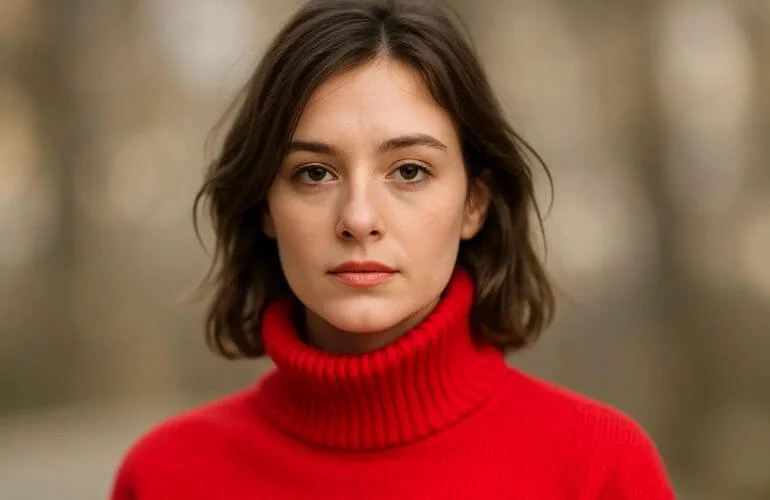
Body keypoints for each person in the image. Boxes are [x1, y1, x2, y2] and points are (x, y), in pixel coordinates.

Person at [110, 0, 675, 498]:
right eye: (314, 173)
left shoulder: (599, 467)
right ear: (264, 207)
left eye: (408, 170)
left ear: (474, 203)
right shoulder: (165, 477)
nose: (358, 218)